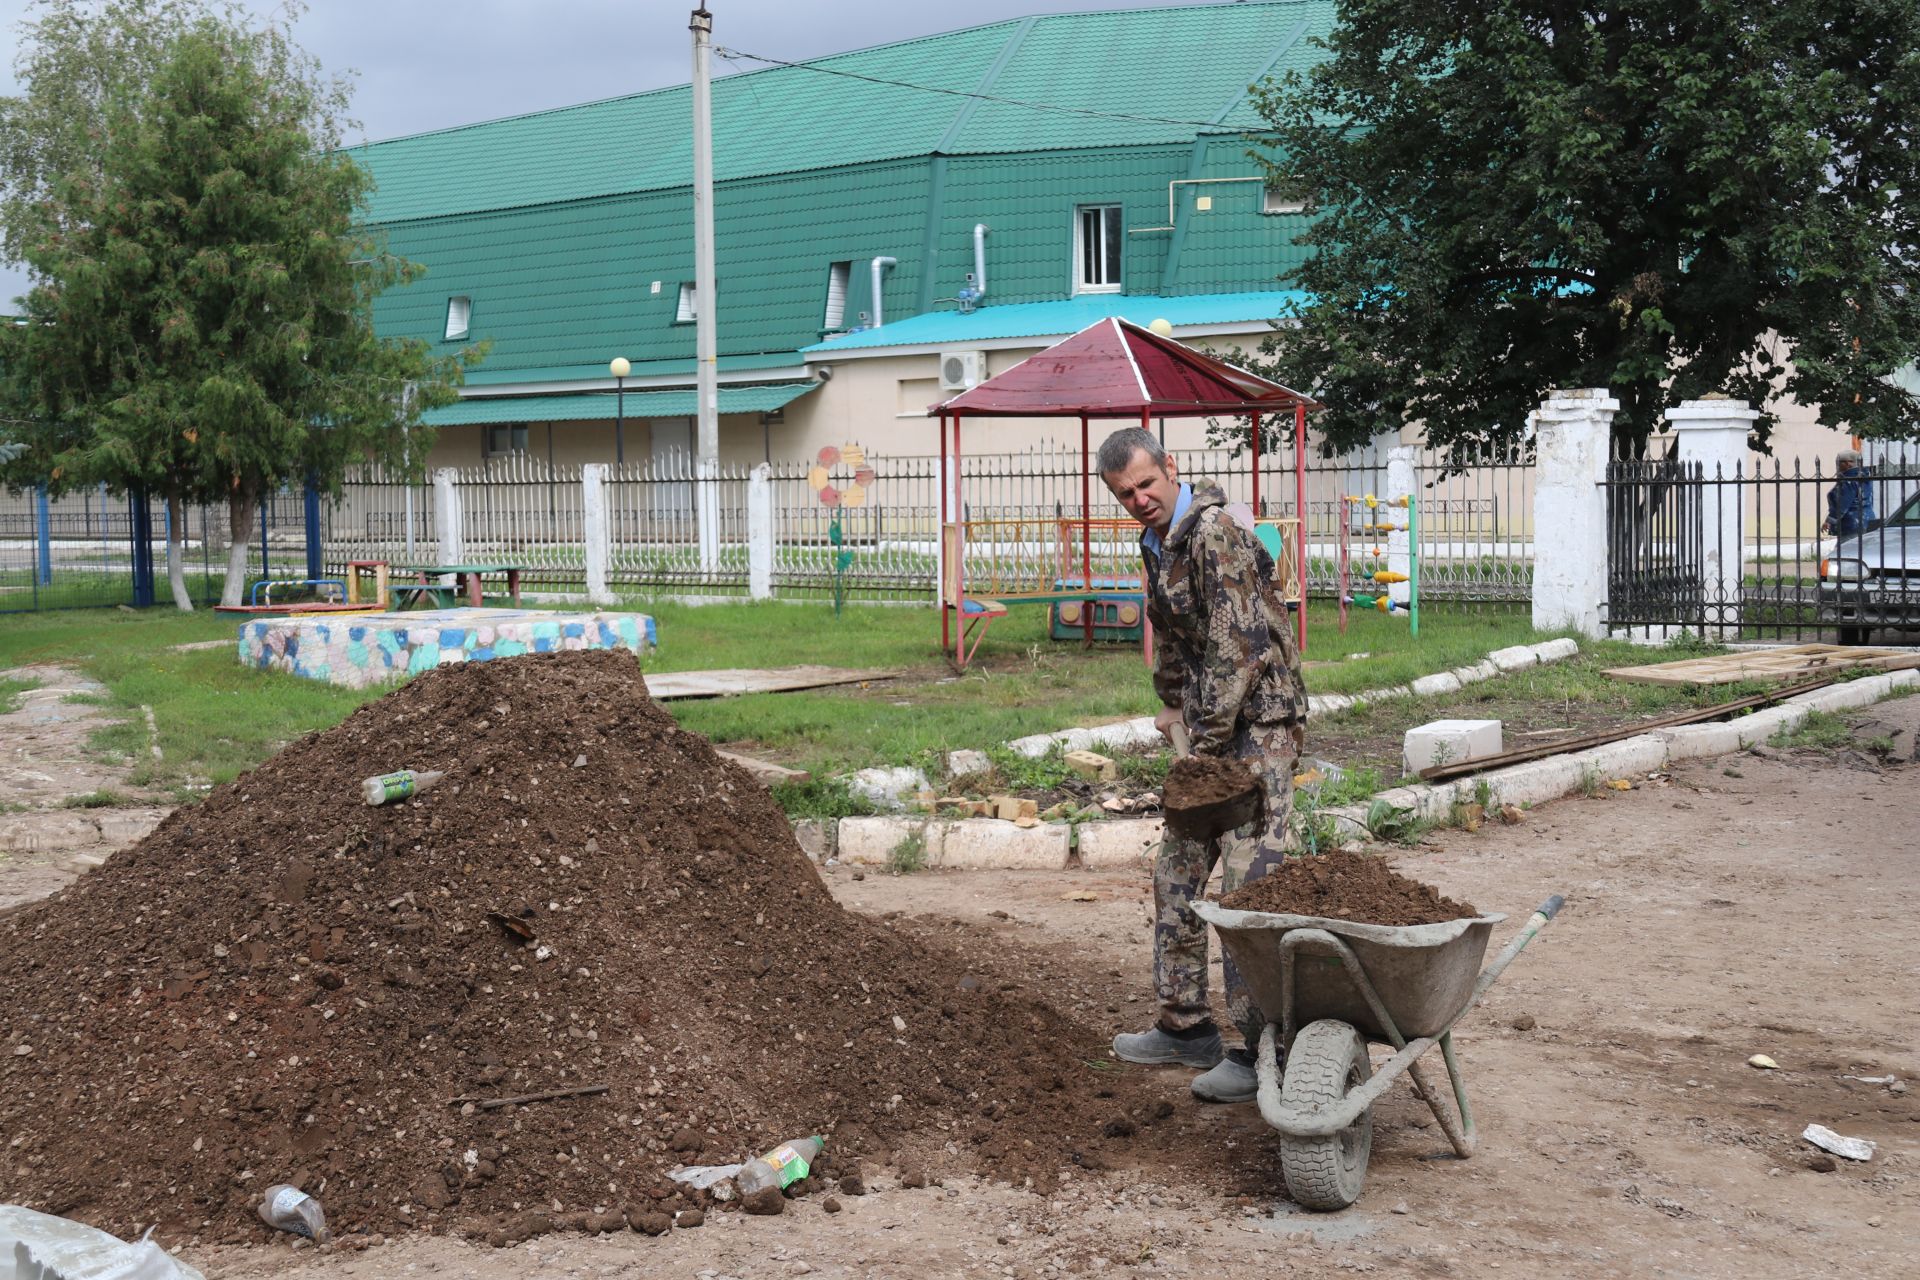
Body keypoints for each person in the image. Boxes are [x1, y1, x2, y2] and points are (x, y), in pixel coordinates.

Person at [1097, 426, 1307, 1103]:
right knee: (1178, 869)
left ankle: (1257, 1050)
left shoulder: (1213, 531)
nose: (1139, 500)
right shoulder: (1160, 544)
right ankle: (1185, 1026)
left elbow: (1234, 647)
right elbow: (1173, 636)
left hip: (1260, 725)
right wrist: (1168, 706)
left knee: (1247, 882)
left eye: (1146, 484)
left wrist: (1206, 747)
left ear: (1170, 468)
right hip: (1214, 725)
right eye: (1125, 494)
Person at [1824, 449, 1877, 538]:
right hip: (1867, 520)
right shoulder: (1865, 478)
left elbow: (1841, 504)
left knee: (1846, 550)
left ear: (1848, 463)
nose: (1837, 465)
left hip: (1851, 523)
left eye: (1839, 462)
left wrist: (1830, 521)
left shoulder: (1848, 481)